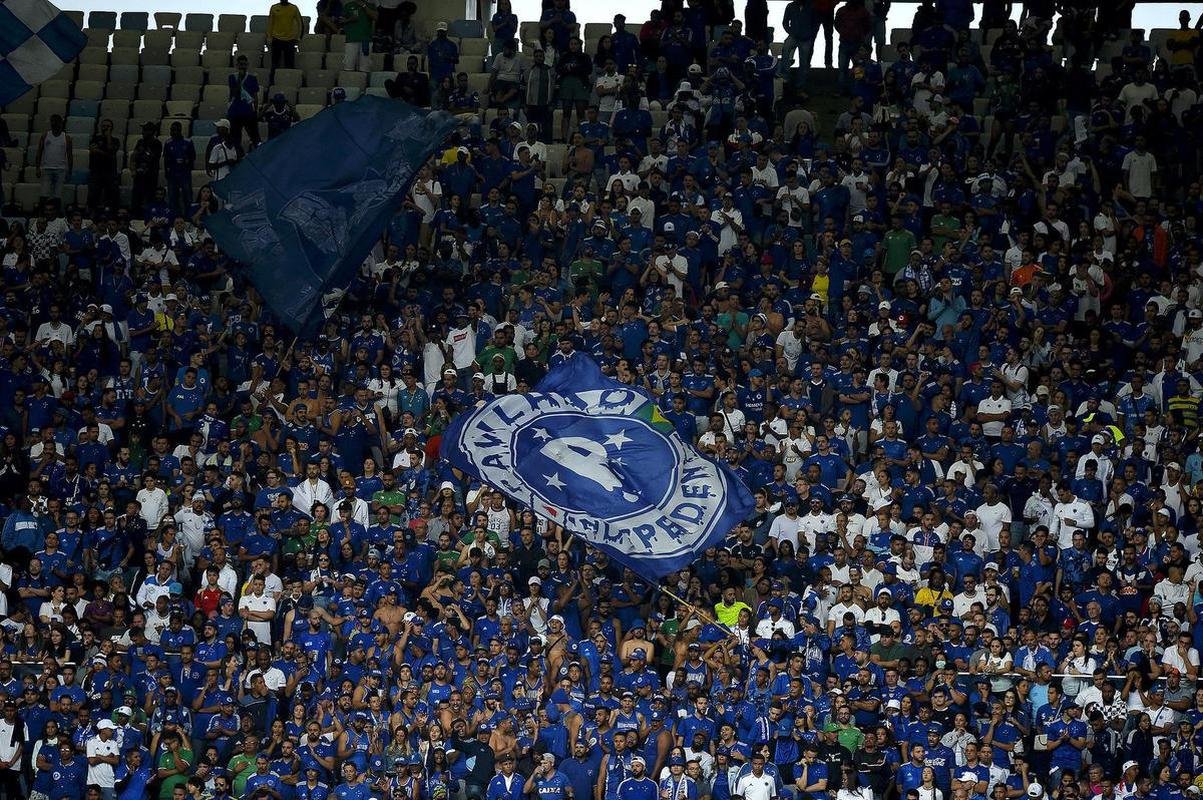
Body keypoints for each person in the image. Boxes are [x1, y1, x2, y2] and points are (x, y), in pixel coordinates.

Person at [227, 55, 262, 150]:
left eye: (244, 64)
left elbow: (255, 96)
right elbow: (234, 93)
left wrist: (255, 110)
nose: (243, 66)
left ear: (247, 65)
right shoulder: (232, 77)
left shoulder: (252, 78)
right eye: (241, 64)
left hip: (248, 110)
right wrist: (239, 79)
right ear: (237, 65)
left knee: (254, 136)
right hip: (235, 111)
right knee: (235, 137)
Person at [36, 114, 71, 202]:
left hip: (60, 170)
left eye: (56, 122)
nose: (54, 124)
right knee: (44, 194)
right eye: (53, 122)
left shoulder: (66, 138)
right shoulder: (45, 136)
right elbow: (39, 152)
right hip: (47, 168)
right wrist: (37, 168)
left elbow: (70, 155)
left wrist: (69, 170)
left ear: (61, 123)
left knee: (57, 196)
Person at [267, 0, 304, 74]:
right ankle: (272, 80)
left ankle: (289, 80)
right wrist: (269, 37)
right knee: (275, 64)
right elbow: (270, 23)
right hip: (276, 38)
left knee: (289, 64)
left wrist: (298, 36)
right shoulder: (274, 7)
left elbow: (300, 23)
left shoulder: (294, 8)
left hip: (290, 39)